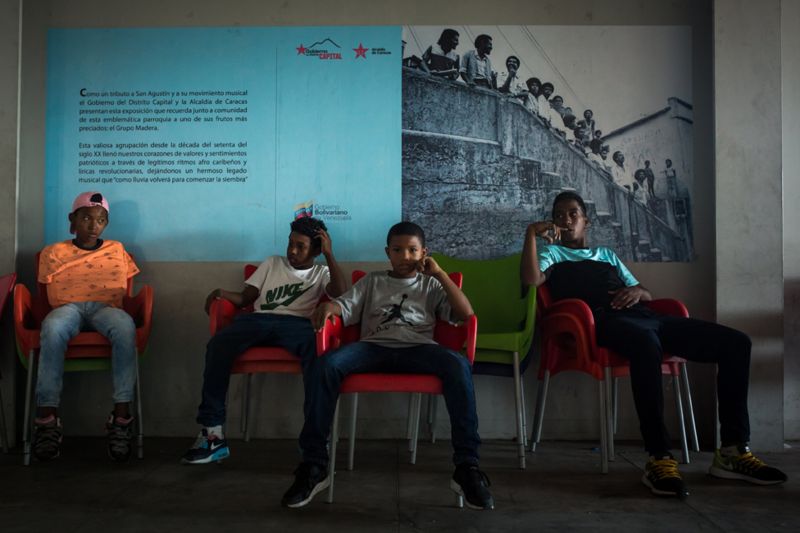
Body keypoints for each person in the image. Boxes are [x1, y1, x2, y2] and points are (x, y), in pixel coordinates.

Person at [520, 191, 788, 498]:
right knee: (646, 345)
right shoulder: (553, 255)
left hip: (646, 316)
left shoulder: (607, 255)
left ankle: (732, 450)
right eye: (558, 215)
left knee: (736, 343)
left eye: (572, 214)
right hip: (605, 322)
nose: (565, 221)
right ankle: (659, 457)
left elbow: (643, 290)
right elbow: (530, 280)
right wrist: (531, 233)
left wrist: (637, 292)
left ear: (586, 221)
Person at [282, 222, 493, 510]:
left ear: (424, 253)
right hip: (373, 348)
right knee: (327, 366)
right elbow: (343, 307)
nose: (405, 256)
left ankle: (467, 468)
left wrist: (440, 274)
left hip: (419, 349)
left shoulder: (430, 284)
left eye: (412, 250)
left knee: (457, 365)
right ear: (387, 252)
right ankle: (314, 465)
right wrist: (328, 307)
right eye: (397, 250)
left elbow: (466, 313)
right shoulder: (373, 281)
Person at [180, 217, 347, 464]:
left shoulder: (321, 272)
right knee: (218, 345)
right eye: (290, 243)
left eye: (300, 246)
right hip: (257, 321)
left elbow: (341, 292)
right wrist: (221, 293)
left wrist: (330, 255)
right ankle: (213, 435)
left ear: (316, 250)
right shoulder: (272, 263)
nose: (292, 250)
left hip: (298, 326)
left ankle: (314, 439)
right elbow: (246, 298)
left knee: (318, 355)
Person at [34, 191, 140, 462]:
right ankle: (47, 419)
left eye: (101, 220)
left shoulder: (117, 249)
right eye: (86, 218)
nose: (94, 226)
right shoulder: (54, 251)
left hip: (106, 308)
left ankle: (121, 417)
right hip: (66, 308)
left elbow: (127, 288)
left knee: (125, 326)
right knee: (53, 327)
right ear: (73, 219)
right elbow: (47, 290)